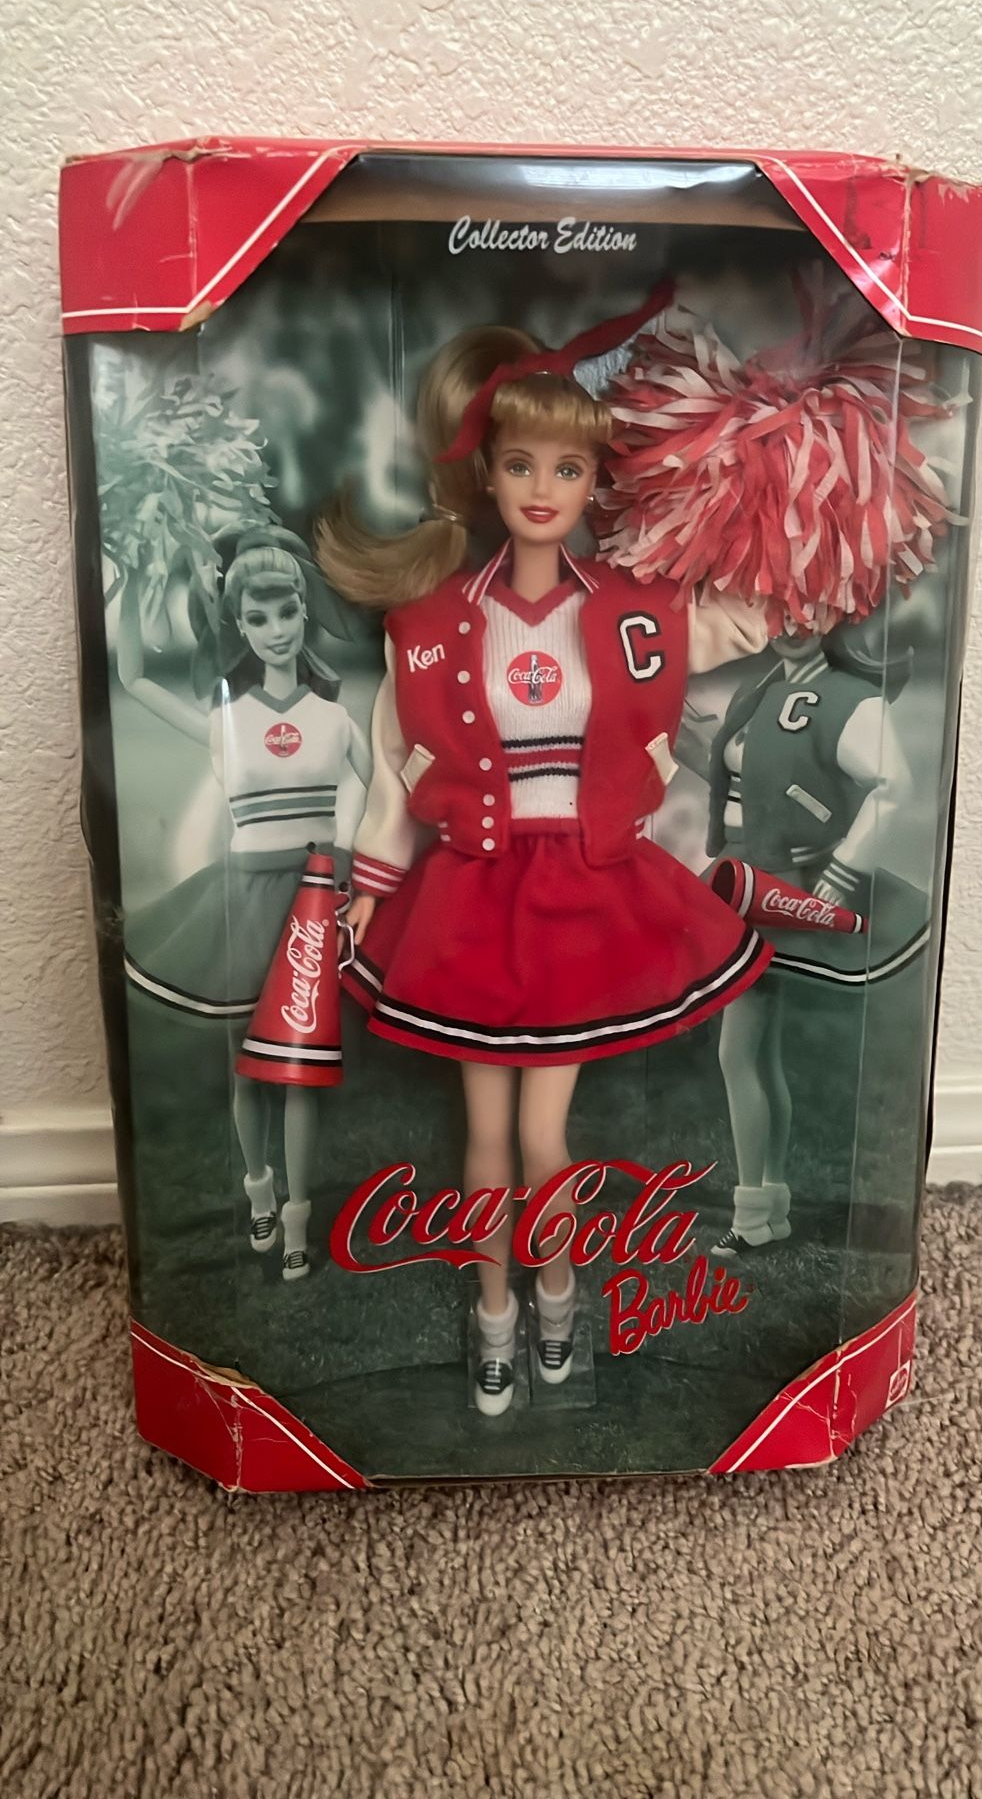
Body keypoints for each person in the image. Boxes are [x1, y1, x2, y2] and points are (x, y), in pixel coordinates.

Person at [316, 294, 773, 1416]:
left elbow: (757, 610)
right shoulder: (429, 624)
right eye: (520, 464)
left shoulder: (637, 610)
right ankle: (494, 1316)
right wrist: (372, 886)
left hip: (586, 890)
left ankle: (556, 1297)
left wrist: (784, 486)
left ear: (591, 482)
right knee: (484, 1132)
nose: (541, 490)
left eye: (567, 470)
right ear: (486, 474)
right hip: (472, 891)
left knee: (540, 1129)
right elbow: (396, 772)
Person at [117, 528, 370, 1281]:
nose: (276, 629)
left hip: (312, 903)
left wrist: (350, 851)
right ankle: (258, 1185)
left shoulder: (334, 715)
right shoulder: (225, 719)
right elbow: (133, 677)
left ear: (304, 609)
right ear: (239, 624)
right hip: (242, 899)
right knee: (248, 1068)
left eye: (286, 611)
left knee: (298, 1065)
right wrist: (135, 571)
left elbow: (379, 777)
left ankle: (298, 1218)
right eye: (257, 617)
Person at [707, 626, 912, 1256]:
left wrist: (842, 870)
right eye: (780, 606)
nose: (793, 624)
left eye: (810, 606)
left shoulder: (849, 698)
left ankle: (753, 1215)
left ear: (835, 612)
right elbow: (751, 783)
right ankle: (770, 1209)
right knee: (757, 1051)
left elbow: (895, 785)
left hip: (780, 888)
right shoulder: (760, 687)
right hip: (744, 877)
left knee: (738, 1053)